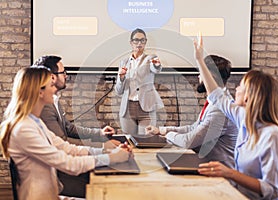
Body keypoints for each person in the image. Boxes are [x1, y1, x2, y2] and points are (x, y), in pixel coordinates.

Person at [0, 67, 131, 200]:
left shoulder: (34, 122)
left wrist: (107, 152)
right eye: (51, 85)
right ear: (40, 92)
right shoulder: (24, 129)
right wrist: (112, 158)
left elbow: (68, 149)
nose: (55, 89)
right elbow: (68, 164)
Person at [194, 37, 278, 199]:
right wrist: (199, 60)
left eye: (241, 86)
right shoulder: (243, 117)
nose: (236, 88)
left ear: (248, 97)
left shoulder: (273, 136)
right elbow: (216, 95)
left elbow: (272, 191)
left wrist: (230, 173)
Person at [32, 55, 120, 198]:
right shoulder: (44, 108)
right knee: (112, 185)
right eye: (63, 72)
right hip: (61, 177)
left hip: (62, 169)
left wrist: (99, 135)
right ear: (51, 77)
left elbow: (68, 129)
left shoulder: (52, 101)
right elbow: (65, 149)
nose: (66, 76)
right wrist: (105, 151)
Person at [145, 55, 238, 168]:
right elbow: (193, 128)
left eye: (201, 73)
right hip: (206, 164)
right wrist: (161, 130)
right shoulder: (216, 102)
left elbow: (188, 141)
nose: (198, 76)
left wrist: (168, 135)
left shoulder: (219, 109)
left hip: (219, 174)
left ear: (210, 77)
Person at [115, 28, 164, 135]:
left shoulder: (151, 58)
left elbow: (156, 69)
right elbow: (118, 91)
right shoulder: (124, 62)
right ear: (131, 43)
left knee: (146, 141)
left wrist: (157, 65)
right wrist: (121, 77)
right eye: (136, 40)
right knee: (129, 143)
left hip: (145, 108)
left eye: (142, 40)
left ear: (145, 42)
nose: (139, 43)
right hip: (128, 109)